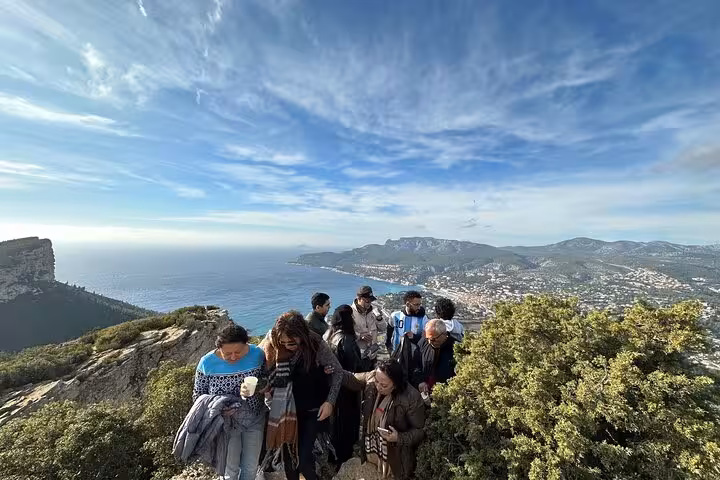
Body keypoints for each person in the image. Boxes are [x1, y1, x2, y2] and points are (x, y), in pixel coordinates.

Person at [261, 311, 343, 480]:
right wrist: (265, 388)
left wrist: (330, 402)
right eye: (282, 342)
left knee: (304, 461)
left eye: (291, 342)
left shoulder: (315, 343)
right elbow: (265, 375)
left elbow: (338, 372)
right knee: (289, 462)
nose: (286, 345)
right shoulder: (272, 345)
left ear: (301, 335)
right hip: (285, 411)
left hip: (312, 409)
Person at [192, 324, 267, 480]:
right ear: (219, 348)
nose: (233, 357)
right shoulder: (206, 363)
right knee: (229, 470)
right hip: (224, 424)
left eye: (238, 352)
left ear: (247, 344)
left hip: (254, 418)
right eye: (227, 353)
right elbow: (198, 396)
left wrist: (258, 386)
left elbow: (268, 380)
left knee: (250, 467)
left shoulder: (258, 354)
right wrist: (218, 408)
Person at [340, 360, 426, 480]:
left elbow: (420, 431)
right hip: (372, 450)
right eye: (377, 382)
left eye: (384, 385)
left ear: (395, 384)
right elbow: (351, 378)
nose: (378, 387)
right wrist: (332, 368)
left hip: (396, 458)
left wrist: (398, 438)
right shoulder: (373, 378)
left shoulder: (412, 398)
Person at [324, 305, 363, 465]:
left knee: (336, 422)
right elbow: (355, 366)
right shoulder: (346, 339)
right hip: (347, 387)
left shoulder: (330, 335)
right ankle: (344, 455)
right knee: (347, 422)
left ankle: (334, 456)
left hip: (333, 387)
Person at [417, 319, 457, 397]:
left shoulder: (453, 348)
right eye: (427, 338)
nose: (430, 342)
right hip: (425, 392)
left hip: (446, 393)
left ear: (443, 335)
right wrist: (420, 381)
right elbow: (415, 363)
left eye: (433, 339)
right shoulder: (424, 342)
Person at [351, 286, 385, 357]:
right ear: (359, 299)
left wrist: (379, 319)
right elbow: (345, 334)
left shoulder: (373, 311)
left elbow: (383, 328)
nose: (369, 303)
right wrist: (360, 336)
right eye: (367, 301)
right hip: (359, 356)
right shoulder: (350, 313)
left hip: (373, 354)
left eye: (371, 301)